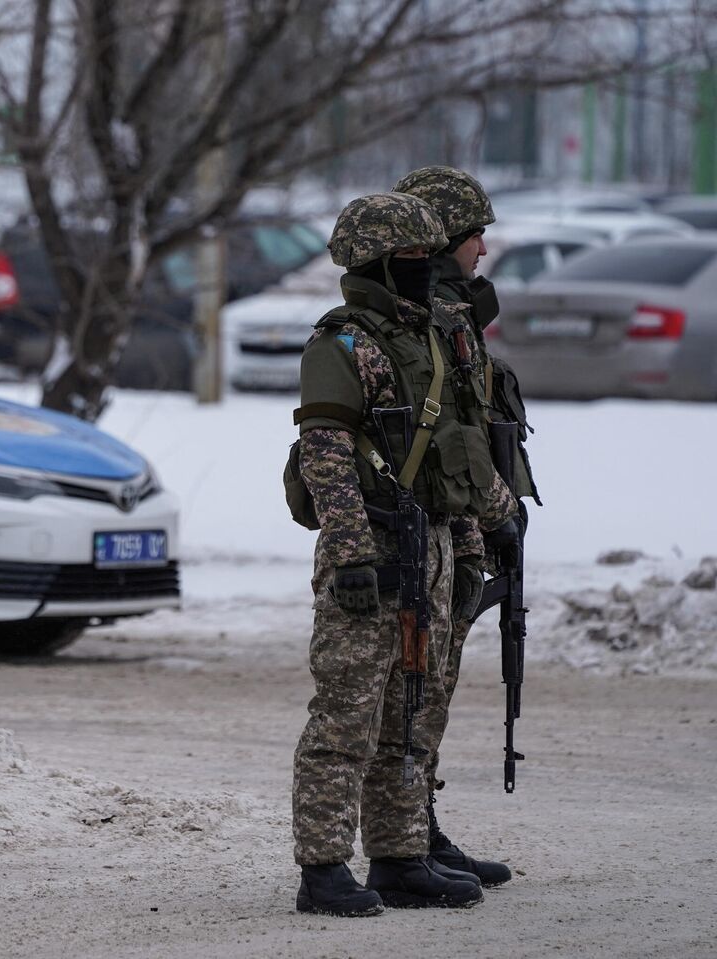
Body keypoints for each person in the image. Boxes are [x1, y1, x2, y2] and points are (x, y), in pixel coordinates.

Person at [289, 192, 518, 917]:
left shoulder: (427, 338)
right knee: (347, 716)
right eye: (414, 260)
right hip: (376, 551)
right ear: (381, 264)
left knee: (412, 716)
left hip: (435, 547)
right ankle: (323, 866)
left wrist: (485, 533)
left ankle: (398, 854)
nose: (428, 272)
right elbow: (326, 454)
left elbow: (463, 456)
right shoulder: (344, 344)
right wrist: (354, 556)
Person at [392, 166, 541, 887]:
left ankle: (419, 829)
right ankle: (402, 842)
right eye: (476, 231)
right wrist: (496, 513)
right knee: (414, 690)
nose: (485, 247)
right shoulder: (430, 320)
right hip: (429, 519)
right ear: (446, 235)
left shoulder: (451, 314)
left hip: (458, 519)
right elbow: (457, 434)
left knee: (434, 687)